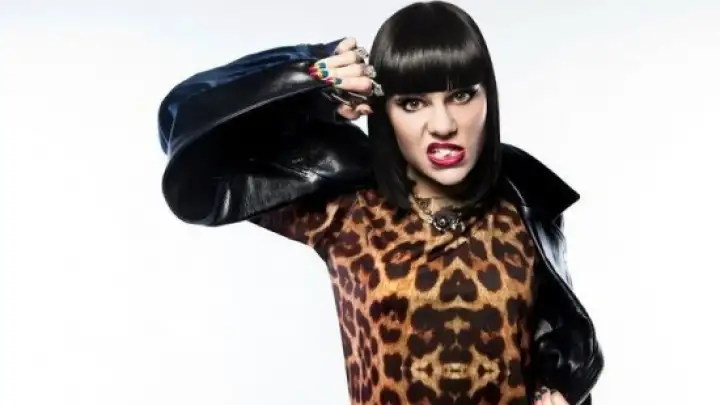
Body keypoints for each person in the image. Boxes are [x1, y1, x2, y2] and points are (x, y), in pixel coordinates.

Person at [156, 2, 603, 404]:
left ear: (489, 97)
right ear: (383, 110)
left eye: (461, 95)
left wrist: (557, 386)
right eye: (413, 103)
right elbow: (185, 131)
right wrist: (308, 74)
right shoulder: (345, 209)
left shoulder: (524, 199)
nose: (443, 124)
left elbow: (556, 329)